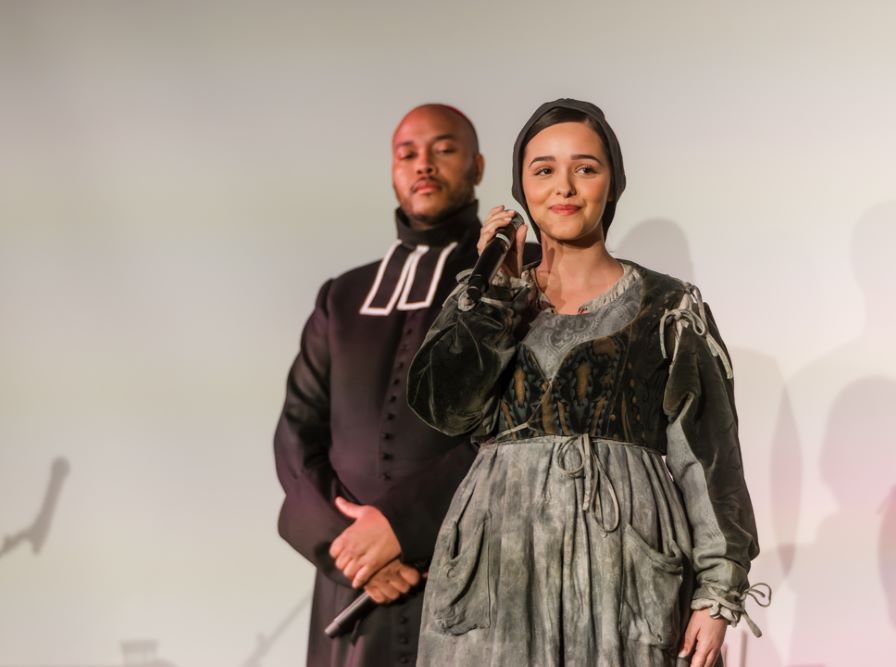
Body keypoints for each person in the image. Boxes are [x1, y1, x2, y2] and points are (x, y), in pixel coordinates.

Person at [407, 99, 766, 667]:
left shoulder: (668, 308)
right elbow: (445, 408)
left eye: (586, 168)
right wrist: (494, 298)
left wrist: (717, 594)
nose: (564, 187)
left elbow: (709, 458)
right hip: (498, 570)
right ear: (521, 189)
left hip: (624, 574)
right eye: (543, 170)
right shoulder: (486, 298)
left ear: (612, 182)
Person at [274, 103, 492, 667]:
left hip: (468, 572)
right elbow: (296, 435)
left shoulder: (511, 277)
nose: (424, 164)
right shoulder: (343, 296)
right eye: (407, 153)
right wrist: (346, 548)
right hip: (353, 588)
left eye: (444, 149)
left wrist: (399, 526)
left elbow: (518, 432)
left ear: (477, 166)